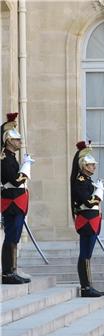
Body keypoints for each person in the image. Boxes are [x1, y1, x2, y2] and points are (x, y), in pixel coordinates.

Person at [70, 141, 104, 298]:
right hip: (86, 220)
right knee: (85, 254)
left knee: (87, 254)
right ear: (84, 166)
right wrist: (98, 193)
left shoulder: (87, 180)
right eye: (91, 165)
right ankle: (85, 287)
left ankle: (88, 285)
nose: (94, 167)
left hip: (92, 219)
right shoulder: (80, 181)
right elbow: (88, 202)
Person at [1, 112, 32, 284]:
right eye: (17, 139)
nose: (20, 142)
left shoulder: (12, 157)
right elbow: (14, 180)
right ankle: (7, 273)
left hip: (16, 201)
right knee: (11, 237)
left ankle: (12, 270)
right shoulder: (5, 158)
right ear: (9, 141)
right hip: (11, 201)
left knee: (15, 237)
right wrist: (26, 168)